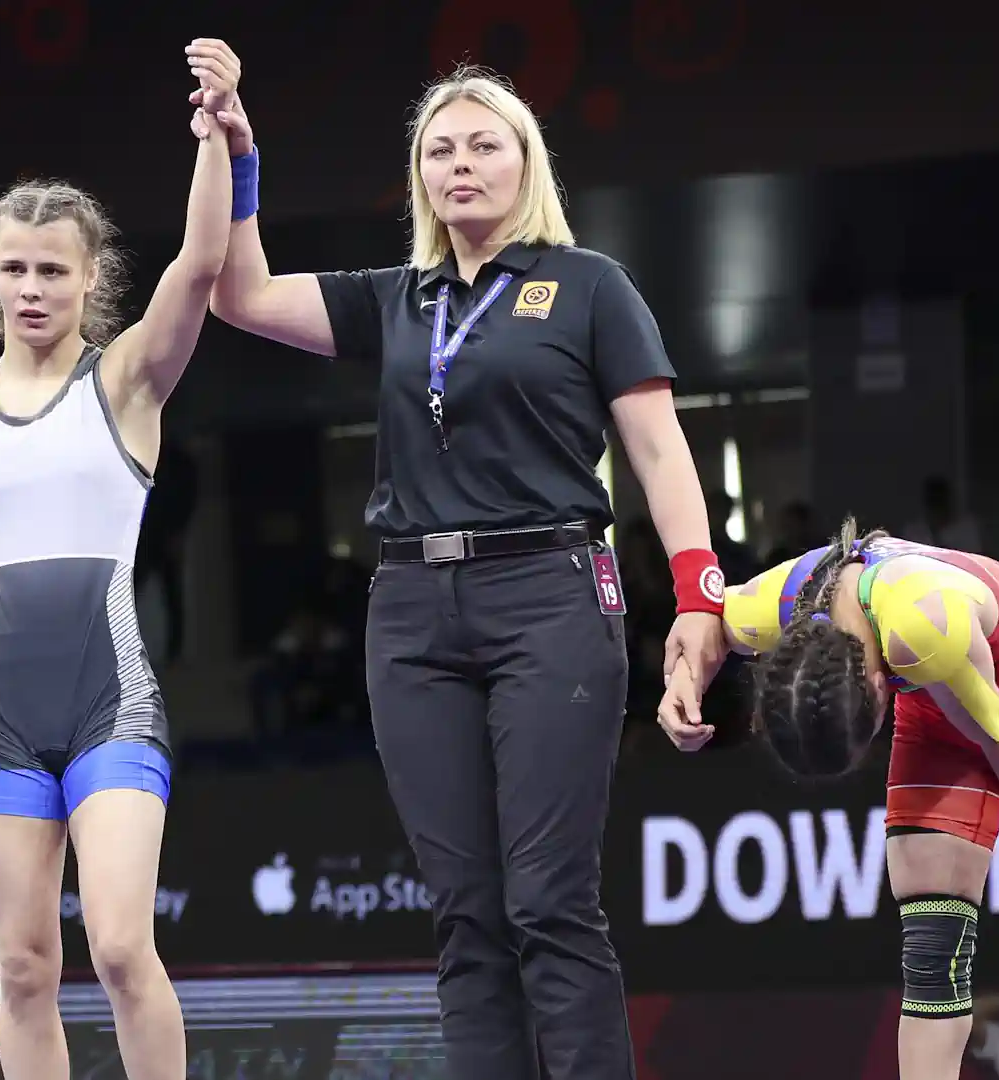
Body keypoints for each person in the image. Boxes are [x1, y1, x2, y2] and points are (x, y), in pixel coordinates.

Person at [203, 67, 723, 1079]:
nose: (461, 164)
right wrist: (237, 158)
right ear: (420, 180)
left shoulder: (587, 286)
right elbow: (240, 294)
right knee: (466, 915)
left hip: (552, 595)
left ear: (526, 164)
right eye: (440, 151)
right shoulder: (401, 300)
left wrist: (700, 599)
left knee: (547, 902)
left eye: (484, 145)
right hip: (409, 613)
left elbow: (660, 453)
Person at [0, 38, 247, 1080]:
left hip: (109, 706)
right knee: (21, 967)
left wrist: (217, 137)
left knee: (117, 946)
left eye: (53, 270)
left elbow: (198, 268)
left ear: (91, 277)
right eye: (13, 268)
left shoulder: (127, 386)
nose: (31, 288)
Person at [659, 521, 999, 1080]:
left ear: (878, 689)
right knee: (933, 949)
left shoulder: (918, 629)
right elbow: (703, 625)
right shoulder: (767, 611)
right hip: (944, 709)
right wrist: (682, 679)